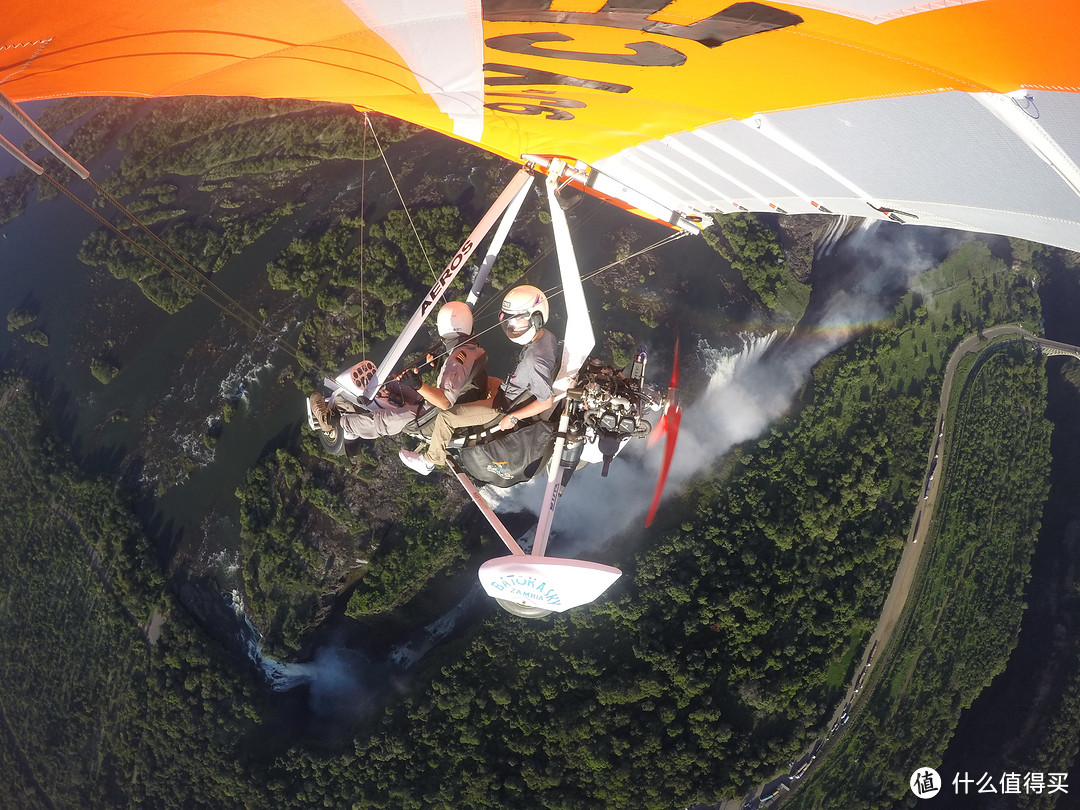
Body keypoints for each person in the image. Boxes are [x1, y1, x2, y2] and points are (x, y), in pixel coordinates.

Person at [399, 284, 558, 475]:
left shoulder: (535, 361)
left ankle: (430, 460)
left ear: (537, 318)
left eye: (518, 321)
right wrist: (445, 363)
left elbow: (546, 401)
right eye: (508, 321)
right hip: (509, 390)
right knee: (479, 378)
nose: (512, 327)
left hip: (501, 406)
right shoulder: (546, 337)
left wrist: (512, 417)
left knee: (446, 417)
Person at [308, 301, 487, 442]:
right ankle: (384, 392)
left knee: (381, 420)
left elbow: (445, 402)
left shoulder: (458, 358)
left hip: (427, 418)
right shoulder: (472, 349)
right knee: (396, 381)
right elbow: (459, 379)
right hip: (431, 406)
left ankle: (335, 422)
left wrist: (418, 385)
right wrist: (440, 366)